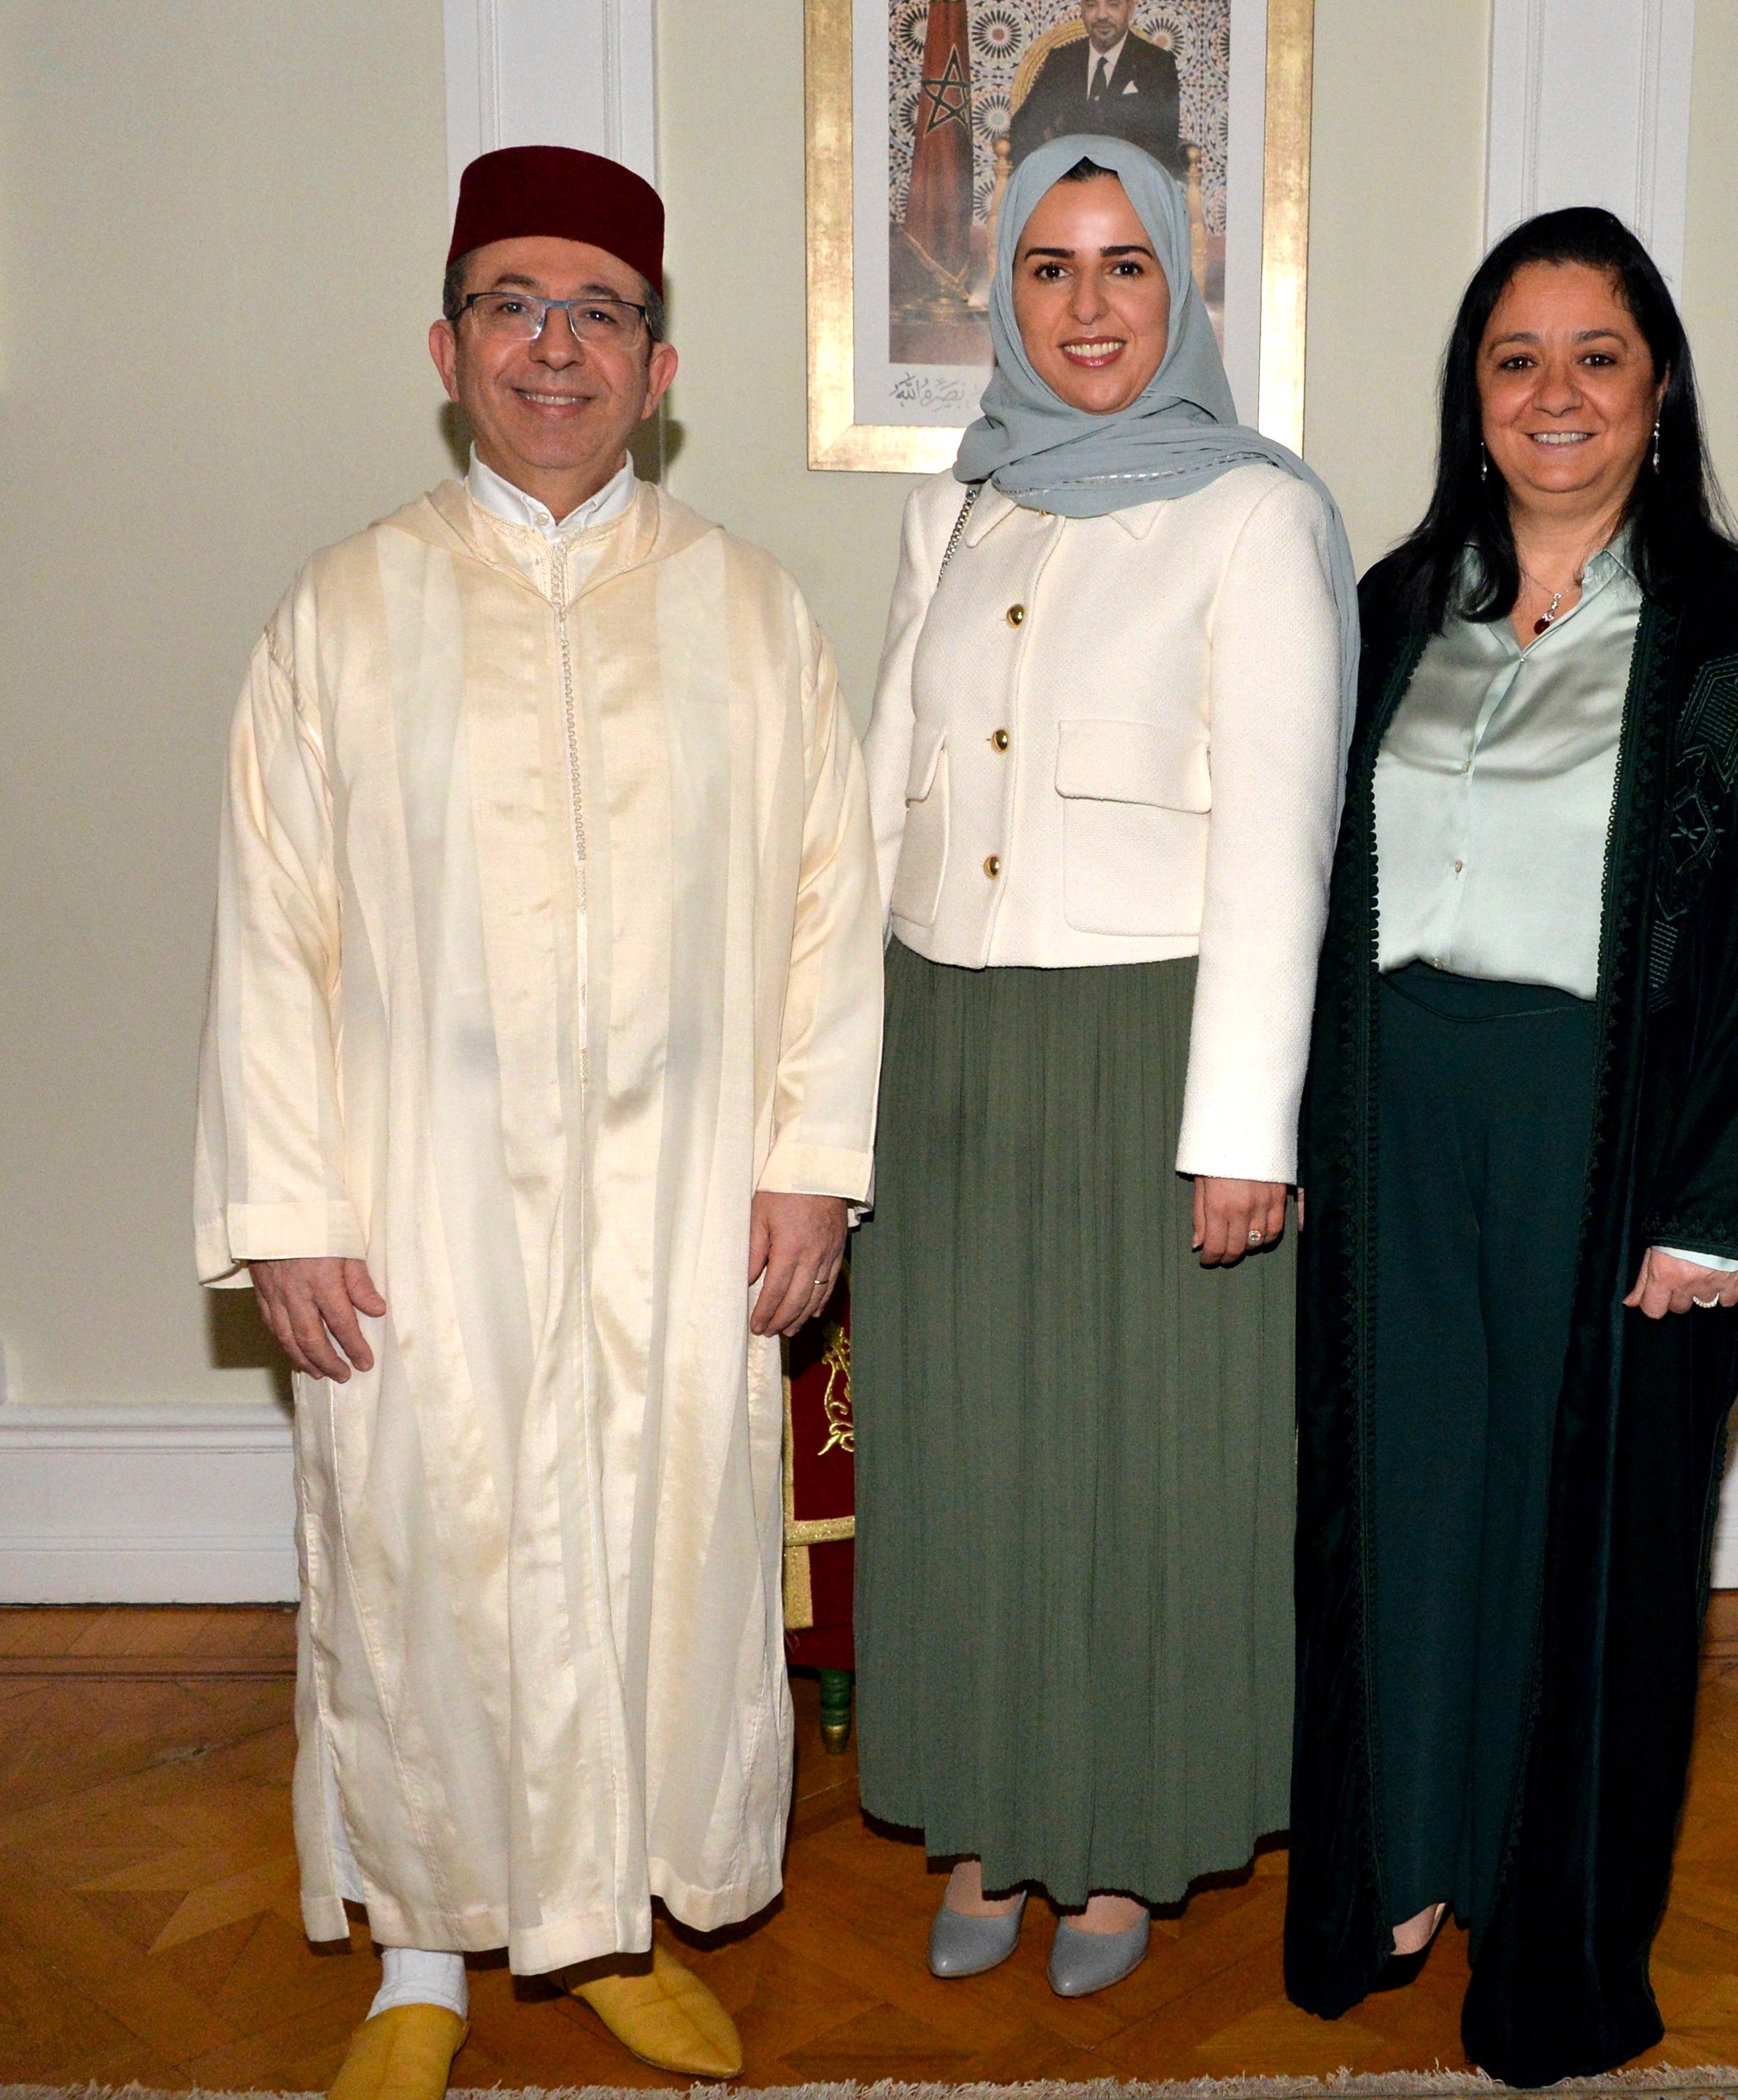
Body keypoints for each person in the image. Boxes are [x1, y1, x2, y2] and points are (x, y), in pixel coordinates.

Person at [193, 145, 883, 2100]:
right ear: (447, 349)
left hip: (681, 1201)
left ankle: (606, 1933)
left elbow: (829, 909)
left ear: (660, 367)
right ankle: (420, 1959)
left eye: (598, 311)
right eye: (512, 303)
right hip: (411, 1204)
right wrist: (285, 1206)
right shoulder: (343, 614)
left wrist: (809, 1165)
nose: (554, 346)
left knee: (656, 1565)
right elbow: (269, 929)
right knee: (423, 1557)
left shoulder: (750, 614)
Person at [1283, 207, 1738, 2085]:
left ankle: (1546, 1937)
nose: (1553, 394)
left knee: (1573, 1536)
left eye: (1595, 356)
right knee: (1407, 1504)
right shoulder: (1388, 609)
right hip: (1389, 1117)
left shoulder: (1726, 640)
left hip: (1599, 1136)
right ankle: (1399, 1867)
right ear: (1470, 392)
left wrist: (1713, 1210)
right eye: (1513, 358)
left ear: (1656, 391)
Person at [853, 135, 1356, 1998]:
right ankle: (987, 1816)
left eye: (1125, 264)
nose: (1086, 305)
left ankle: (1129, 1842)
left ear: (1179, 292)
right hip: (947, 1052)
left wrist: (1243, 1129)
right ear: (999, 289)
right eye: (1049, 266)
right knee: (968, 1454)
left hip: (1152, 1058)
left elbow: (1280, 844)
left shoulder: (1255, 515)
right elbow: (878, 805)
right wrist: (833, 1088)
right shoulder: (952, 514)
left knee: (1143, 1467)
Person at [1008, 0, 1184, 175]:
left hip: (1128, 181)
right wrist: (1049, 173)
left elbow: (1163, 143)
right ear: (1082, 10)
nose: (1102, 15)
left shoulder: (1158, 64)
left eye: (1113, 4)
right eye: (1092, 5)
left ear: (1130, 9)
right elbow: (1024, 127)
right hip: (1068, 179)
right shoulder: (1062, 60)